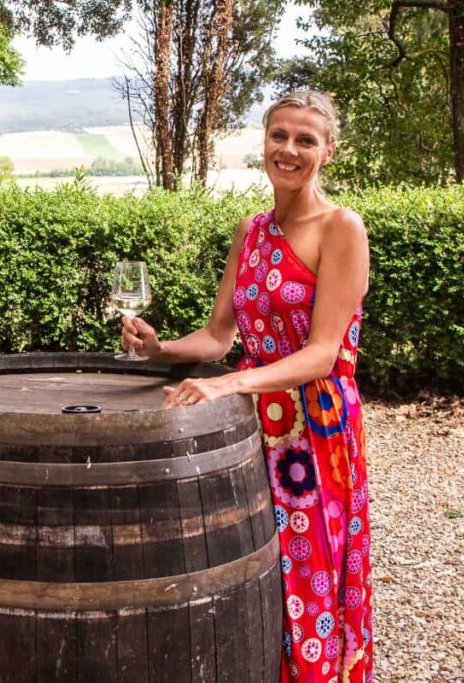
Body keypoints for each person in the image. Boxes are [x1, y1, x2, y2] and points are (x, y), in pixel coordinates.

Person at [122, 90, 373, 682]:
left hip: (316, 431)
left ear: (328, 152)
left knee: (310, 575)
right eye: (279, 135)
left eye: (305, 140)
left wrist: (228, 386)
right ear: (264, 143)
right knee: (257, 568)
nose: (289, 150)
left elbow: (321, 355)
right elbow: (216, 336)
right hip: (254, 426)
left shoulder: (341, 228)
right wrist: (159, 349)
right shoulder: (251, 231)